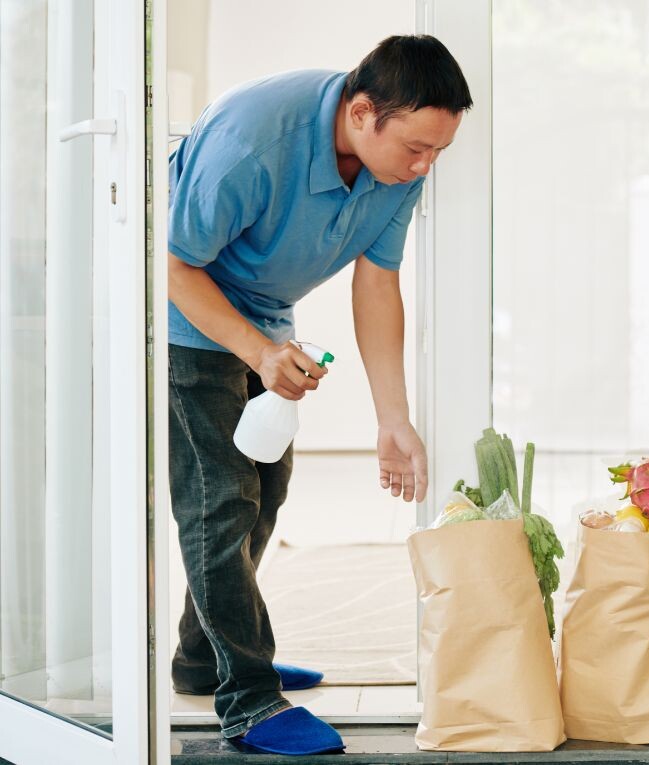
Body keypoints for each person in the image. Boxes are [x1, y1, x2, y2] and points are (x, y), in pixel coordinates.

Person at [166, 35, 471, 755]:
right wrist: (259, 352)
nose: (425, 167)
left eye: (438, 152)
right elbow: (172, 266)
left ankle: (202, 657)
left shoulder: (397, 169)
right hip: (186, 315)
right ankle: (249, 698)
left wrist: (393, 420)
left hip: (266, 318)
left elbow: (377, 282)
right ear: (363, 112)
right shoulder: (251, 141)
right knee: (220, 499)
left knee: (266, 492)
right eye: (419, 148)